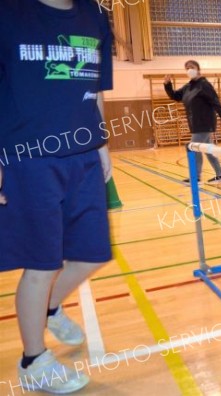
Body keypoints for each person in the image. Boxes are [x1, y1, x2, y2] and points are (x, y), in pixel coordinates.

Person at [0, 0, 113, 393]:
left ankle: (48, 308)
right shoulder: (9, 12)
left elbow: (94, 86)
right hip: (28, 157)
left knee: (92, 253)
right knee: (42, 263)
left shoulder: (95, 14)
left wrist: (102, 143)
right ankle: (33, 361)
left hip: (83, 153)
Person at [164, 61, 221, 184]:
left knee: (193, 148)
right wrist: (168, 85)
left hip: (204, 123)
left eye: (192, 67)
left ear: (198, 69)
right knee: (209, 150)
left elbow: (215, 101)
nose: (189, 70)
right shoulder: (188, 87)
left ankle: (196, 178)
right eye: (187, 68)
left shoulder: (204, 85)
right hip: (195, 124)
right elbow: (175, 96)